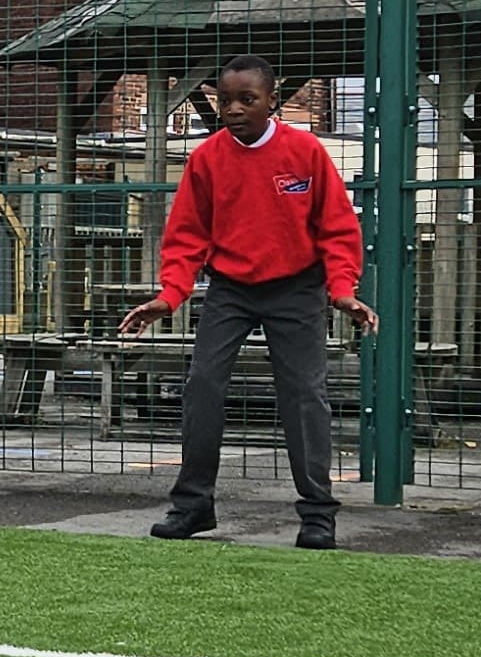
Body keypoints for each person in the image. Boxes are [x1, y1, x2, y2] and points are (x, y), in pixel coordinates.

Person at [116, 53, 377, 550]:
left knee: (304, 396)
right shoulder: (207, 159)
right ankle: (192, 506)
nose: (232, 109)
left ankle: (318, 515)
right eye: (224, 100)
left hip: (297, 288)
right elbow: (186, 236)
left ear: (272, 102)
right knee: (203, 385)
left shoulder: (306, 152)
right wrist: (170, 295)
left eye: (246, 99)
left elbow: (338, 227)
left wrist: (342, 290)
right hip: (231, 289)